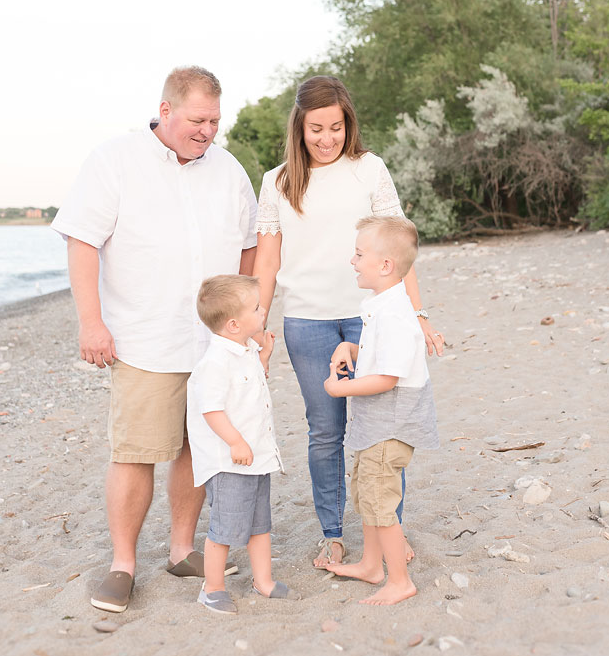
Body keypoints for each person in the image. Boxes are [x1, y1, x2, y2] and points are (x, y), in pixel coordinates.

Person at [51, 66, 257, 614]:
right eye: (197, 119)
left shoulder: (229, 170)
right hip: (146, 338)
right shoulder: (114, 160)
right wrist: (91, 322)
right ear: (165, 111)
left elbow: (249, 248)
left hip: (214, 343)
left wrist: (251, 321)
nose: (207, 130)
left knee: (197, 448)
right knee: (137, 453)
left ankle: (182, 549)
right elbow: (82, 242)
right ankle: (123, 565)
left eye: (214, 120)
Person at [253, 75, 444, 568]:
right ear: (300, 125)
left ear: (347, 122)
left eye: (335, 127)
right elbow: (267, 264)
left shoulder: (370, 169)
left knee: (381, 427)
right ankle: (333, 533)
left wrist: (417, 314)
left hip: (371, 318)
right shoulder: (278, 182)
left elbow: (399, 251)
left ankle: (387, 534)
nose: (326, 138)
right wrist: (257, 327)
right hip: (306, 322)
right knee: (325, 429)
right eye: (316, 128)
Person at [322, 216, 438, 605]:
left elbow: (387, 377)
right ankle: (372, 566)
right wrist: (350, 350)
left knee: (380, 501)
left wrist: (340, 389)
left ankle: (400, 580)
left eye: (358, 254)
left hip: (390, 426)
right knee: (368, 495)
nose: (352, 261)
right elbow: (377, 358)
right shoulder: (382, 305)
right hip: (375, 426)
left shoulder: (394, 315)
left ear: (385, 265)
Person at [187, 275, 289, 614]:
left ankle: (264, 580)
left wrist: (264, 358)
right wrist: (235, 441)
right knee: (225, 529)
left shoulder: (245, 350)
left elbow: (248, 390)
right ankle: (212, 588)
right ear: (233, 323)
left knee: (260, 525)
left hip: (256, 457)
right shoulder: (215, 362)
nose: (263, 311)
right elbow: (211, 409)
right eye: (256, 307)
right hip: (231, 462)